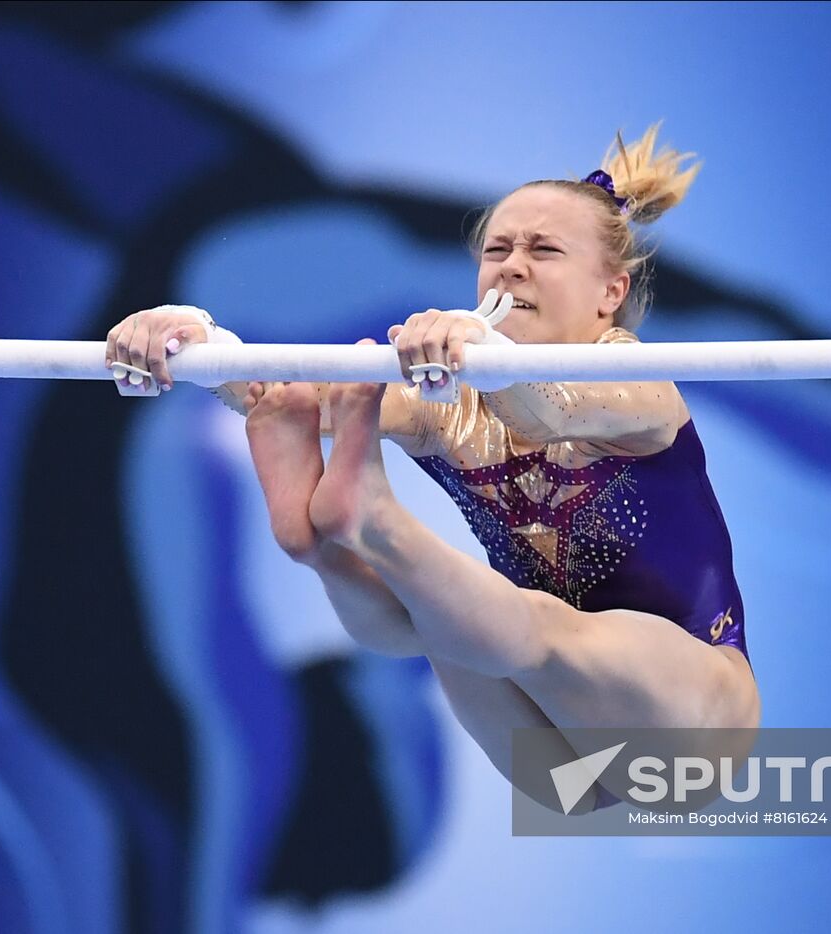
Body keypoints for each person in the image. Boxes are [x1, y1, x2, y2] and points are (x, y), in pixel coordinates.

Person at [106, 125, 758, 812]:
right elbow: (284, 394)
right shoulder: (450, 403)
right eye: (497, 250)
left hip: (691, 731)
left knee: (532, 628)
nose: (510, 267)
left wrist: (477, 347)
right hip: (561, 778)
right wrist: (196, 342)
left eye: (544, 250)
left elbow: (553, 411)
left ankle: (376, 523)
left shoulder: (641, 383)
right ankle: (332, 544)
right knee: (424, 620)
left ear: (608, 292)